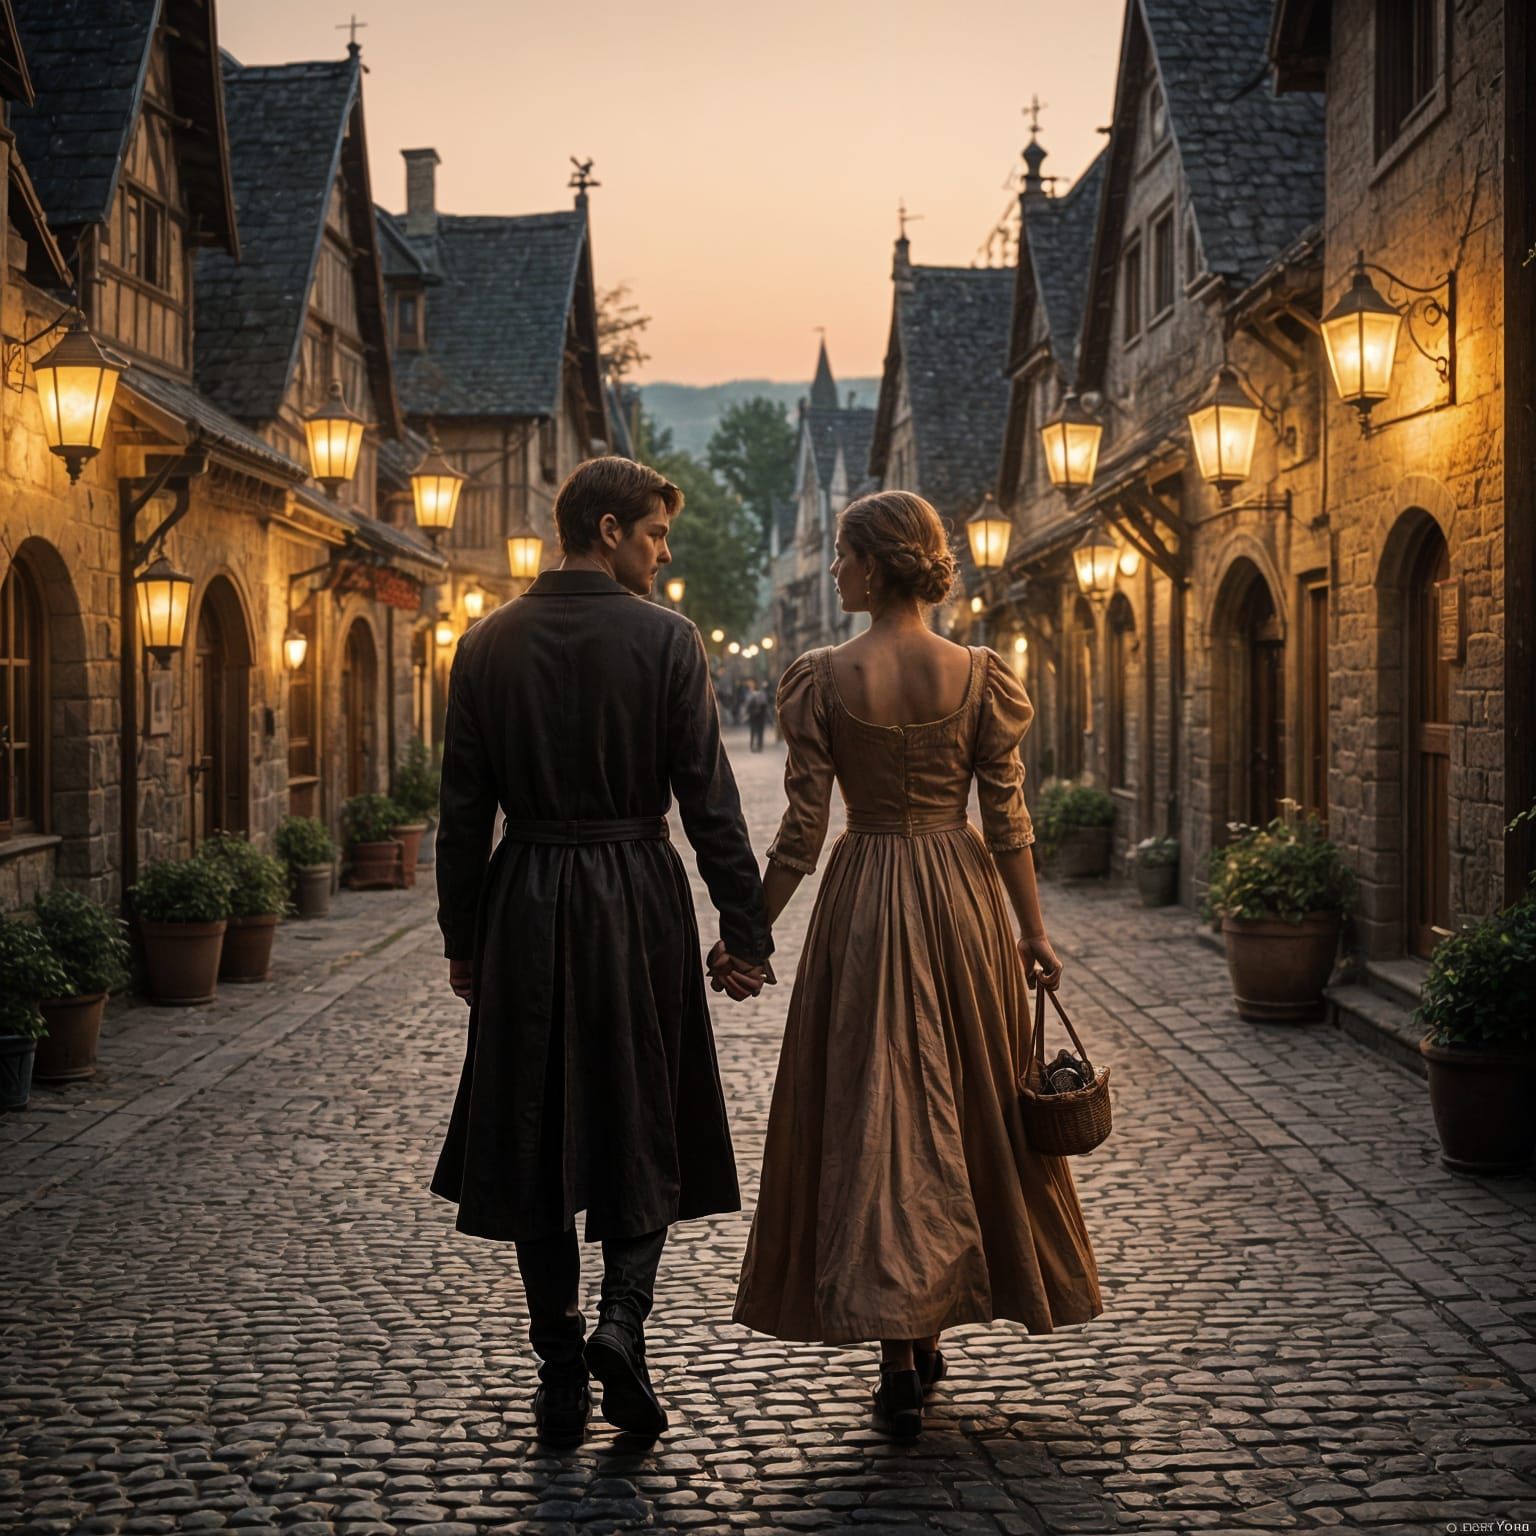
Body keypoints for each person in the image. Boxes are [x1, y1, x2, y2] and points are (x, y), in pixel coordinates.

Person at [726, 490, 1102, 1440]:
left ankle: (900, 1342)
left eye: (847, 557)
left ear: (878, 564)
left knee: (875, 1109)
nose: (839, 573)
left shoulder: (821, 677)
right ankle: (922, 1326)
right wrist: (1034, 934)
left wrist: (752, 931)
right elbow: (1007, 821)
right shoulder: (978, 674)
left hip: (865, 901)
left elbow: (805, 832)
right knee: (963, 1102)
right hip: (959, 899)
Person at [433, 455, 772, 1447]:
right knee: (642, 1111)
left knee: (533, 1128)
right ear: (613, 528)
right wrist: (743, 934)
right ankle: (624, 1324)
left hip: (528, 897)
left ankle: (557, 1368)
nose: (665, 557)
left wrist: (464, 941)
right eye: (657, 536)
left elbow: (462, 818)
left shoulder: (486, 643)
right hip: (634, 896)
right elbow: (712, 802)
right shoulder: (667, 642)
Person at [745, 682, 770, 753]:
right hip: (761, 717)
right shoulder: (763, 695)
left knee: (753, 732)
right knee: (760, 732)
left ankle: (752, 746)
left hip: (753, 716)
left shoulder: (750, 695)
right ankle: (760, 747)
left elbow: (747, 706)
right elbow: (765, 706)